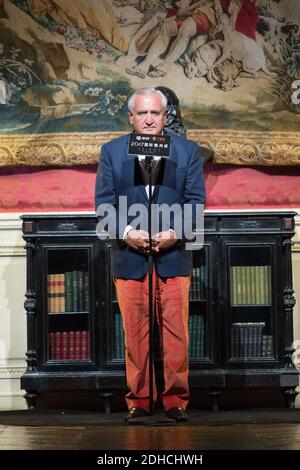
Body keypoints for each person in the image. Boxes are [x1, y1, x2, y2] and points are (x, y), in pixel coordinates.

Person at [95, 87, 205, 422]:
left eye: (154, 113)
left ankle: (176, 401)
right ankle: (139, 401)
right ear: (130, 117)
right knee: (135, 334)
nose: (148, 119)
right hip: (130, 256)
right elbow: (104, 204)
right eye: (141, 113)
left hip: (174, 255)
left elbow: (195, 202)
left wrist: (175, 233)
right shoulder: (112, 152)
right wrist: (129, 233)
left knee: (175, 333)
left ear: (165, 115)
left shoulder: (187, 151)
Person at [126, 0, 216, 78]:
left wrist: (189, 8)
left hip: (205, 13)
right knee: (166, 27)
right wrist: (184, 4)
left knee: (186, 27)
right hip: (191, 12)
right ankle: (144, 65)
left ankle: (164, 67)